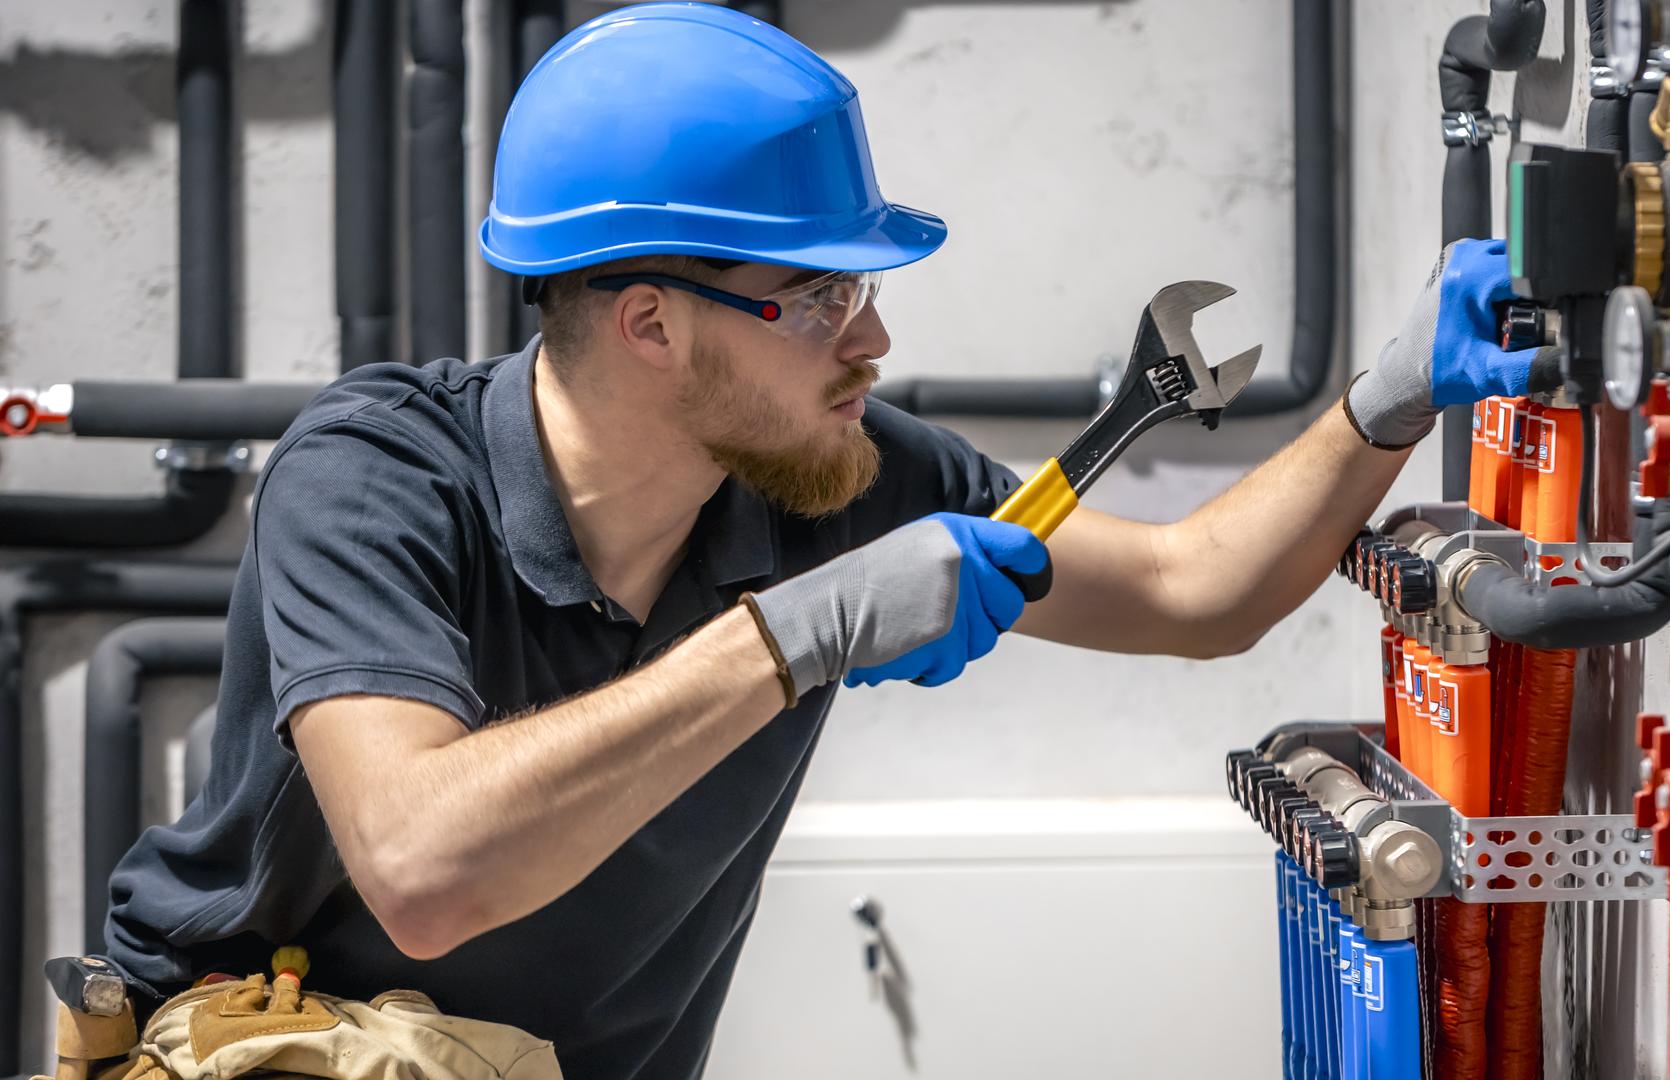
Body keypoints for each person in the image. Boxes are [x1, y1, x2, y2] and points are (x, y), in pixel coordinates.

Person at [102, 4, 1546, 1076]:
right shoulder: (371, 478)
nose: (876, 337)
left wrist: (1382, 399)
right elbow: (426, 870)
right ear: (652, 323)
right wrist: (798, 636)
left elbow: (1192, 588)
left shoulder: (831, 476)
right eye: (818, 294)